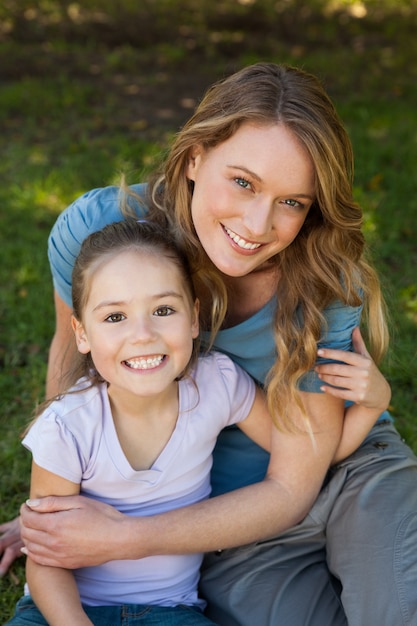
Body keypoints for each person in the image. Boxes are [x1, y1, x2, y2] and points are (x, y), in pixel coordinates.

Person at [13, 62, 417, 625]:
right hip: (229, 526)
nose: (257, 223)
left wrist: (122, 536)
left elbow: (294, 481)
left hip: (343, 471)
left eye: (293, 201)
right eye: (244, 182)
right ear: (194, 158)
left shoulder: (320, 283)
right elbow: (74, 367)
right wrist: (60, 501)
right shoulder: (98, 235)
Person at [7, 218, 273, 625]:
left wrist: (369, 404)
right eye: (115, 317)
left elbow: (302, 451)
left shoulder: (217, 384)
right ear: (82, 333)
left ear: (193, 318)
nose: (143, 334)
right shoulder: (69, 426)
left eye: (163, 310)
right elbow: (46, 559)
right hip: (65, 610)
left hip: (170, 611)